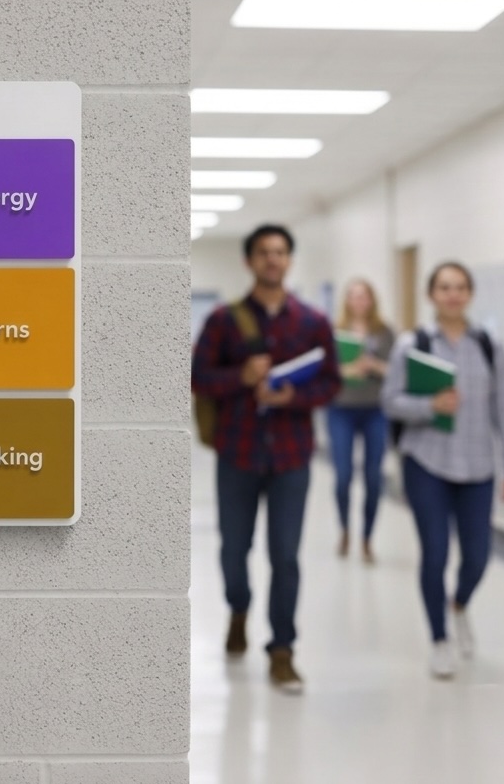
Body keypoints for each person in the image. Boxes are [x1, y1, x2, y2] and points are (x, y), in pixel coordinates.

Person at [191, 223, 342, 694]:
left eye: (280, 252)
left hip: (291, 457)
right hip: (237, 453)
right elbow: (198, 378)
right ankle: (238, 608)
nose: (272, 259)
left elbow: (331, 383)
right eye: (263, 252)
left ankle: (282, 650)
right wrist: (240, 376)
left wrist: (293, 396)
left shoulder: (313, 322)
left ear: (289, 260)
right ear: (249, 261)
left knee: (285, 557)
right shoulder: (223, 320)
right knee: (233, 550)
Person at [381, 261, 504, 679]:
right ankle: (439, 639)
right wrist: (429, 406)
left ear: (470, 293)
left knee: (478, 556)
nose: (453, 294)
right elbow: (390, 401)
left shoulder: (488, 345)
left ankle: (458, 604)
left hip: (478, 466)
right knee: (435, 553)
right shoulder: (413, 345)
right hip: (427, 463)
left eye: (460, 287)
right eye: (444, 287)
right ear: (432, 295)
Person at [327, 279, 395, 564]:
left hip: (375, 410)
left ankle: (367, 537)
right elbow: (325, 370)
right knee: (343, 475)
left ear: (372, 300)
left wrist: (374, 365)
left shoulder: (385, 333)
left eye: (364, 296)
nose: (359, 301)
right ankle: (344, 529)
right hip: (341, 409)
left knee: (373, 477)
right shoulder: (334, 332)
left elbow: (398, 371)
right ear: (346, 300)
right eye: (354, 296)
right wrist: (346, 370)